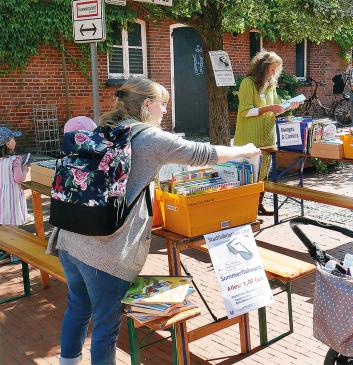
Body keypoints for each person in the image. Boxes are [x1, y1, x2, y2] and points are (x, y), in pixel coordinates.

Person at [48, 77, 261, 365]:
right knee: (105, 326)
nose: (164, 112)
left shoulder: (107, 129)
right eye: (162, 105)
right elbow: (201, 154)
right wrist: (244, 149)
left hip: (70, 238)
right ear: (147, 105)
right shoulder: (149, 138)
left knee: (77, 308)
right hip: (103, 252)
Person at [233, 51, 300, 215]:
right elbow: (245, 112)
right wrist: (269, 108)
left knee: (263, 174)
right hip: (250, 137)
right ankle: (247, 210)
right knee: (249, 176)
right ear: (263, 67)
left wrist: (288, 106)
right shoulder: (248, 83)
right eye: (272, 69)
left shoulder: (271, 85)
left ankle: (258, 206)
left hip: (267, 137)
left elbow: (276, 108)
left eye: (277, 69)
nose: (274, 73)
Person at [0, 127, 28, 226]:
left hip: (1, 194)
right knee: (12, 222)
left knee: (3, 221)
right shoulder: (15, 160)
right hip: (12, 196)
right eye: (13, 139)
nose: (15, 141)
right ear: (7, 144)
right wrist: (24, 170)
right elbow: (19, 179)